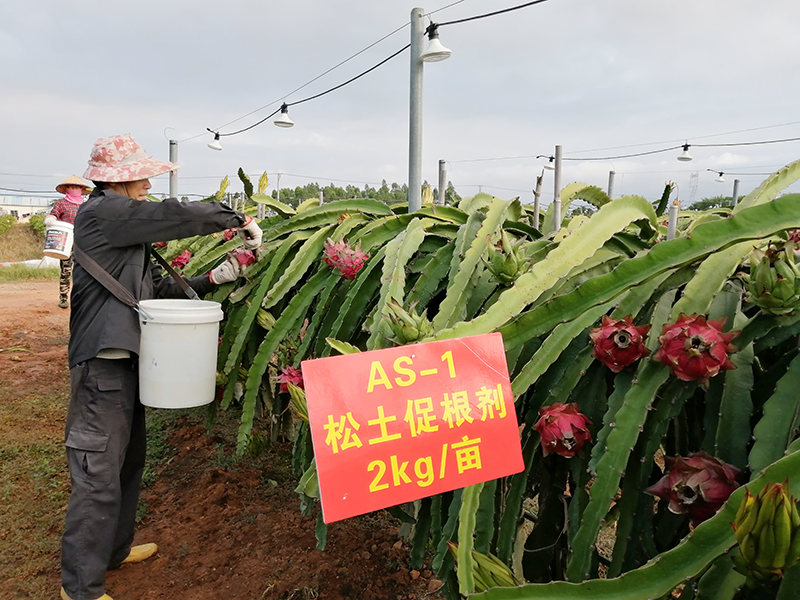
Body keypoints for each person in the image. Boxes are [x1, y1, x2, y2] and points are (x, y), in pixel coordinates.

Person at [60, 133, 262, 600]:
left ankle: (112, 551)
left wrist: (217, 276)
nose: (149, 183)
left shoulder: (122, 232)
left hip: (127, 363)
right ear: (121, 179)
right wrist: (236, 218)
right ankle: (80, 589)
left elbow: (157, 290)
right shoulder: (106, 213)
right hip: (100, 365)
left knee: (127, 463)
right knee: (98, 473)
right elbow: (170, 215)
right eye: (143, 176)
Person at [44, 175, 92, 308]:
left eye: (77, 187)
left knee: (83, 270)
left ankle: (80, 297)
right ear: (66, 189)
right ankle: (63, 297)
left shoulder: (85, 205)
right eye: (72, 187)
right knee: (66, 270)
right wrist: (51, 219)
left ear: (82, 189)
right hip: (65, 242)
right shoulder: (61, 203)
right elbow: (53, 214)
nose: (74, 189)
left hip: (82, 242)